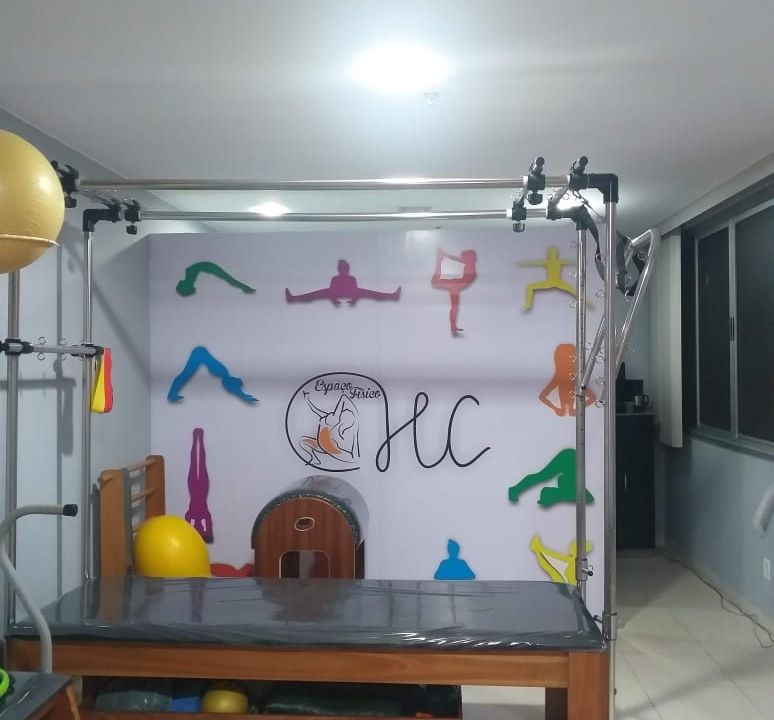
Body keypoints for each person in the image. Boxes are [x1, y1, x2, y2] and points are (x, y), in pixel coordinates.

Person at [286, 260, 401, 306]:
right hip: (337, 293)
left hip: (350, 293)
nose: (344, 270)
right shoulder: (335, 279)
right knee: (316, 294)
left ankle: (392, 296)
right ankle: (293, 298)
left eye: (345, 268)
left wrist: (354, 301)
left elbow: (356, 292)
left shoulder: (351, 278)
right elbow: (331, 292)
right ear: (339, 269)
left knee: (370, 293)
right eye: (342, 268)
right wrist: (334, 301)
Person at [431, 248, 477, 334]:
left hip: (460, 282)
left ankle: (453, 326)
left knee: (455, 306)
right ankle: (453, 326)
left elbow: (457, 259)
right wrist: (444, 255)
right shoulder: (466, 261)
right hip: (458, 283)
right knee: (455, 306)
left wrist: (444, 255)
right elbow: (457, 259)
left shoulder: (468, 262)